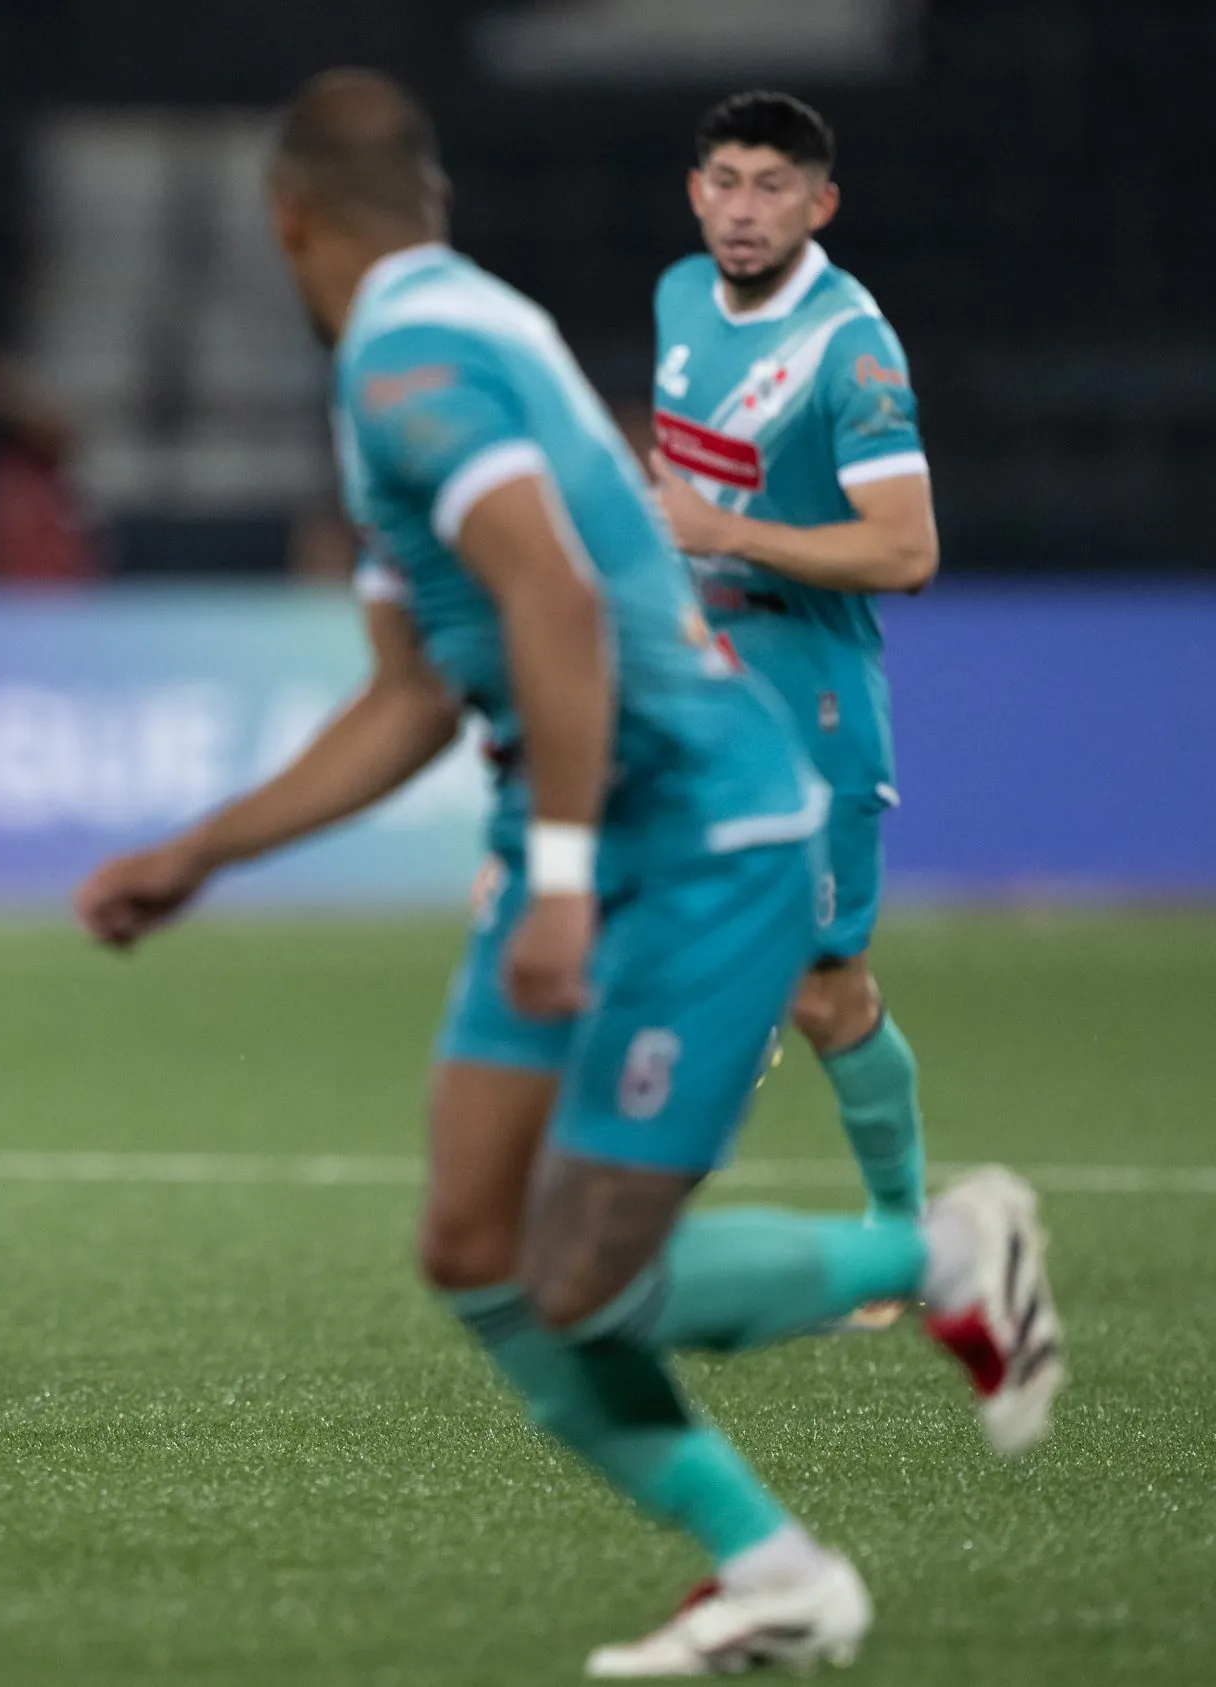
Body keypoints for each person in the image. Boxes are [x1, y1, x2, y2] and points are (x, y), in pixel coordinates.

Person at [72, 70, 1059, 1676]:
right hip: (584, 824)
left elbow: (558, 604)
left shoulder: (409, 362)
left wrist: (557, 876)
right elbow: (411, 687)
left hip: (694, 831)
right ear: (435, 206)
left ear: (287, 221)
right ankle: (780, 1571)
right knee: (474, 1247)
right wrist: (202, 852)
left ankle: (941, 1253)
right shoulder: (446, 338)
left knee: (588, 1269)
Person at [649, 92, 938, 1265]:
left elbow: (906, 551)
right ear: (695, 191)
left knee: (829, 996)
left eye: (773, 185)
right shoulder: (678, 296)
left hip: (809, 696)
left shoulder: (851, 349)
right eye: (725, 179)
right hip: (695, 684)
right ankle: (624, 1223)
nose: (744, 207)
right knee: (654, 939)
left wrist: (730, 537)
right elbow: (686, 494)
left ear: (820, 203)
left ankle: (903, 1230)